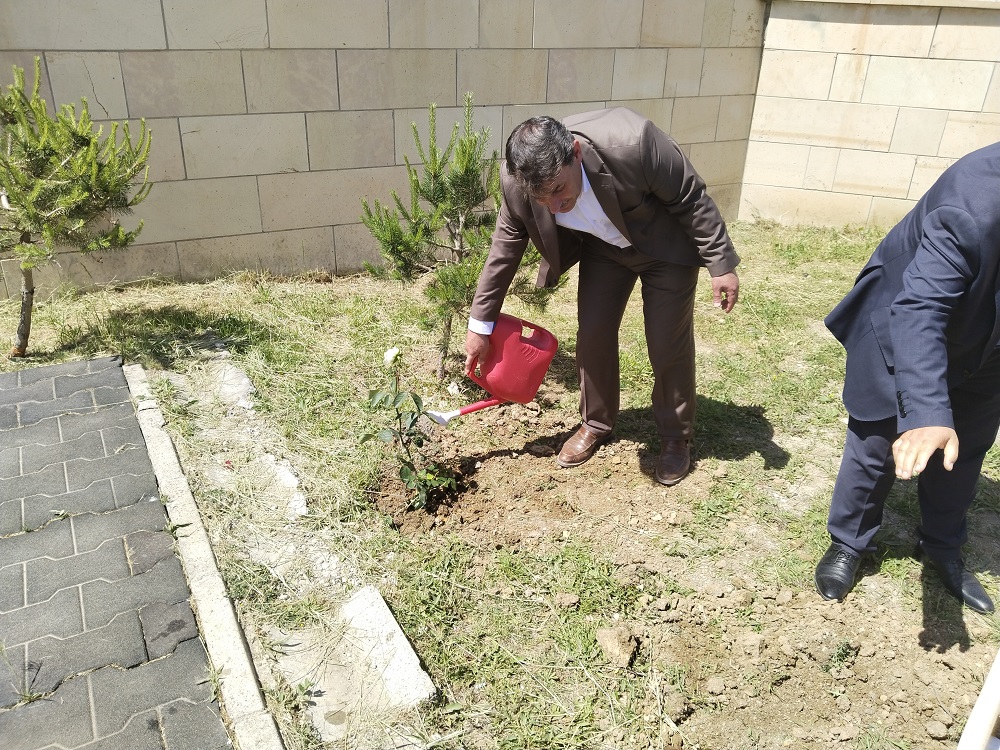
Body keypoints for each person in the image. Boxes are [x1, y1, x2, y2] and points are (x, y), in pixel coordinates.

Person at [463, 108, 740, 485]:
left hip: (664, 250)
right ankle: (596, 421)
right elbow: (504, 250)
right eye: (542, 200)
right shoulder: (517, 183)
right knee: (592, 334)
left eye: (559, 190)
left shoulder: (633, 143)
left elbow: (690, 198)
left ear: (575, 152)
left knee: (666, 341)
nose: (556, 207)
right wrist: (480, 325)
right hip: (605, 252)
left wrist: (720, 263)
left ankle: (676, 437)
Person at [815, 141, 1000, 613]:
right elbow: (922, 308)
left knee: (966, 446)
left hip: (991, 345)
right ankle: (850, 541)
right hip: (906, 320)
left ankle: (941, 546)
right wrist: (927, 412)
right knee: (876, 437)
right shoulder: (973, 201)